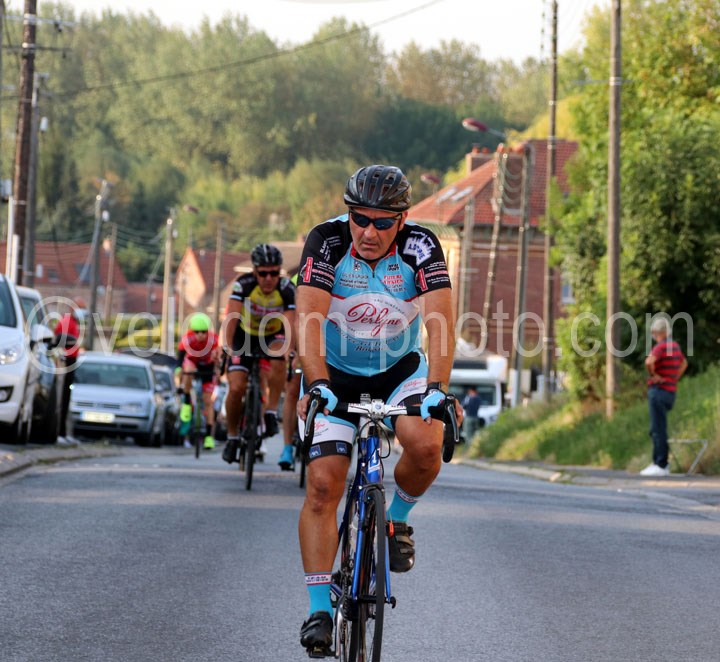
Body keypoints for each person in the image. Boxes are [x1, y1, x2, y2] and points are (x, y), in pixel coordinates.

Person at [295, 164, 460, 654]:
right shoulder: (326, 242)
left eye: (382, 222)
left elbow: (440, 322)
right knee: (323, 483)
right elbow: (308, 319)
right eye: (359, 219)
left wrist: (439, 388)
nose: (368, 232)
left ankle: (396, 519)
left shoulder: (420, 246)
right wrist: (317, 383)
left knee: (426, 444)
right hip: (335, 373)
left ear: (402, 219)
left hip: (399, 369)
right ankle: (319, 610)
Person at [221, 244, 296, 465]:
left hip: (272, 335)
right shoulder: (243, 284)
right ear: (254, 271)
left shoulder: (286, 288)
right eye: (263, 273)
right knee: (236, 387)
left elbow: (291, 324)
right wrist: (226, 346)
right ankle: (232, 437)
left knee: (280, 355)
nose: (268, 278)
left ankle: (270, 412)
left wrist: (290, 350)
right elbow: (232, 317)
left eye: (274, 272)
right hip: (244, 336)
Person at [641, 317, 688, 477]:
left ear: (657, 332)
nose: (653, 336)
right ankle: (658, 462)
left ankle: (661, 464)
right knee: (658, 427)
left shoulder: (661, 347)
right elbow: (684, 363)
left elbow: (649, 362)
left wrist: (654, 375)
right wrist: (674, 378)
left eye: (653, 333)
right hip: (670, 392)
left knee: (657, 429)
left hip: (658, 392)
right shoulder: (675, 346)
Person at [177, 312, 219, 449]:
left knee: (208, 402)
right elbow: (181, 356)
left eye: (203, 331)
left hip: (208, 366)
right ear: (191, 331)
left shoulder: (214, 340)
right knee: (187, 369)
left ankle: (208, 437)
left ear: (208, 331)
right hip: (193, 363)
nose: (200, 335)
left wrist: (219, 370)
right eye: (197, 332)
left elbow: (219, 359)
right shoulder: (187, 339)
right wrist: (179, 370)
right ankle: (187, 402)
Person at [53, 297, 84, 440]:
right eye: (80, 307)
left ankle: (63, 432)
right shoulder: (67, 321)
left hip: (71, 360)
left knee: (66, 397)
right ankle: (59, 432)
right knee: (63, 397)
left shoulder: (73, 322)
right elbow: (60, 340)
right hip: (65, 361)